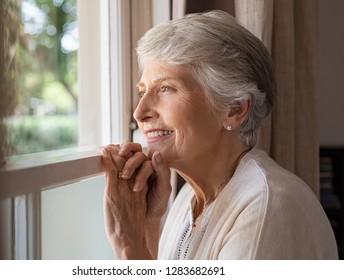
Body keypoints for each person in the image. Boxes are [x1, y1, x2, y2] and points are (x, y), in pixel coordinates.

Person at [100, 10, 338, 260]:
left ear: (235, 109)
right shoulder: (187, 200)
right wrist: (148, 223)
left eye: (166, 88)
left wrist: (128, 244)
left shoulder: (269, 205)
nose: (140, 113)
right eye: (142, 91)